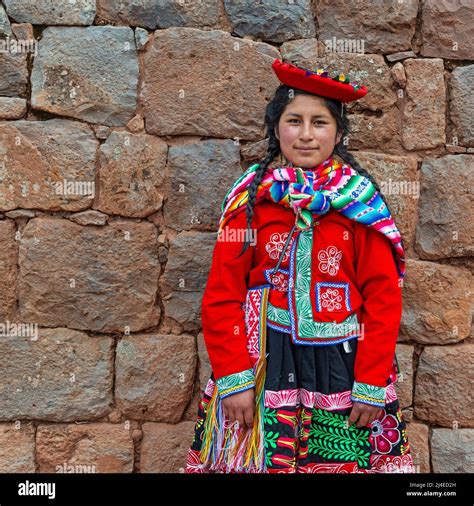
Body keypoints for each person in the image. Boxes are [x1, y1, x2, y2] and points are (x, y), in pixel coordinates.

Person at [185, 59, 416, 474]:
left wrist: (370, 383)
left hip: (344, 369)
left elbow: (383, 299)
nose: (306, 134)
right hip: (263, 367)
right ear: (276, 129)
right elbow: (222, 296)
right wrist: (234, 378)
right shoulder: (252, 204)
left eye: (320, 122)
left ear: (339, 133)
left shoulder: (361, 207)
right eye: (294, 120)